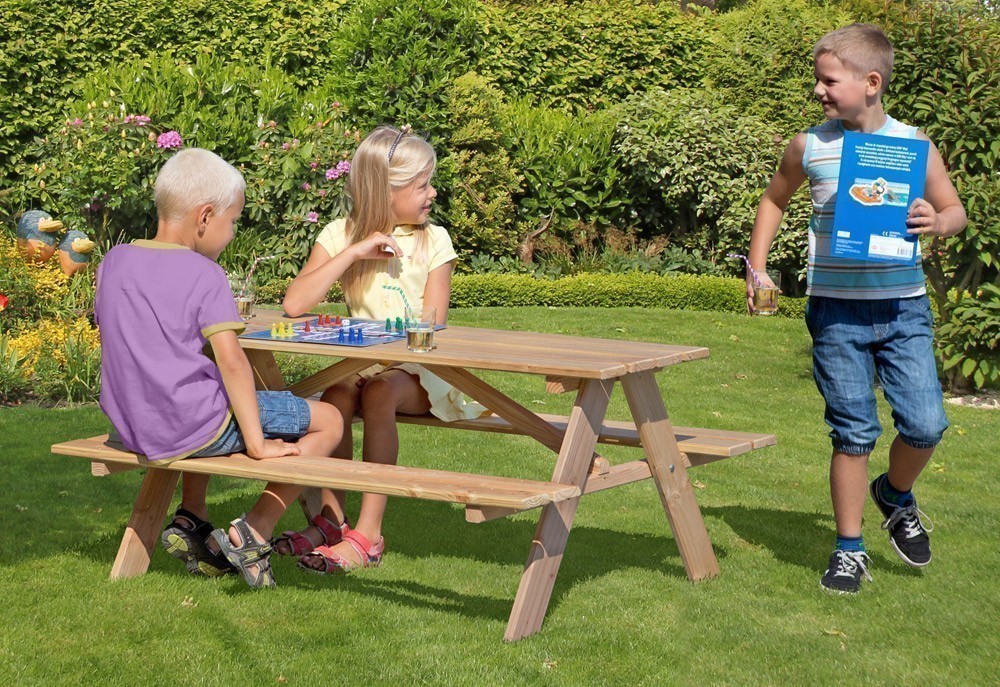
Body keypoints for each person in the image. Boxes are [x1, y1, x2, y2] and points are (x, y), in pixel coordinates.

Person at [747, 24, 966, 594]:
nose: (819, 91)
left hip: (903, 308)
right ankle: (850, 550)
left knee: (926, 424)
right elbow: (774, 199)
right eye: (818, 80)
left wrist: (937, 221)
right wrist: (758, 266)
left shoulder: (914, 145)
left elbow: (954, 210)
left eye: (828, 80)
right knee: (853, 432)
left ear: (871, 83)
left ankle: (893, 493)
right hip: (837, 313)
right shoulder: (810, 146)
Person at [95, 148, 344, 588]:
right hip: (189, 426)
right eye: (233, 222)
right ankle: (255, 527)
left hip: (131, 424)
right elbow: (232, 361)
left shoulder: (113, 262)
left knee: (201, 389)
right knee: (329, 420)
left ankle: (193, 517)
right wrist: (258, 445)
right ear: (205, 217)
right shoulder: (204, 274)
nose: (231, 234)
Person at [281, 125, 486, 573]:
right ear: (384, 190)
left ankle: (370, 534)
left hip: (422, 375)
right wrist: (353, 254)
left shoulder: (435, 241)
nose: (432, 193)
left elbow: (432, 327)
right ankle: (331, 521)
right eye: (422, 185)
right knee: (333, 398)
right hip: (364, 367)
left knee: (377, 392)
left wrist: (383, 358)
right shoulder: (341, 235)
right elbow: (295, 303)